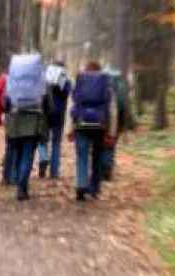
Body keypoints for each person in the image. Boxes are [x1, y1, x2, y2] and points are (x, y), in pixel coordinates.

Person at [0, 53, 50, 201]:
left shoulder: (12, 80)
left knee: (18, 152)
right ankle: (22, 187)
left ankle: (18, 180)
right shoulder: (40, 80)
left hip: (14, 121)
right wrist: (45, 117)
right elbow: (47, 102)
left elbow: (5, 102)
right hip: (33, 122)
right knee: (28, 154)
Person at [65, 61, 118, 201]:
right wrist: (112, 132)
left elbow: (72, 106)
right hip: (100, 126)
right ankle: (94, 189)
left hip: (81, 124)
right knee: (98, 157)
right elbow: (113, 111)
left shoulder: (80, 82)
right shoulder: (105, 84)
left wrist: (69, 129)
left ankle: (81, 185)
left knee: (81, 155)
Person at [38, 61, 72, 179]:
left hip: (46, 113)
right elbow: (68, 94)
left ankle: (43, 157)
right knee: (56, 143)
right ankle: (54, 172)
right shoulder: (66, 81)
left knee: (43, 139)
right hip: (59, 115)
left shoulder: (45, 78)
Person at [102, 67, 129, 181]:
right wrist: (122, 125)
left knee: (102, 144)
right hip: (117, 120)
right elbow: (123, 106)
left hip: (102, 119)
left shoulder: (101, 84)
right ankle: (108, 168)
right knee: (111, 145)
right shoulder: (121, 86)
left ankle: (103, 168)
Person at [0, 72, 16, 186]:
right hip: (26, 116)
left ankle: (7, 176)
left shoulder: (2, 80)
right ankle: (16, 176)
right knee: (20, 146)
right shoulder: (26, 80)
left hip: (9, 115)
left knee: (10, 145)